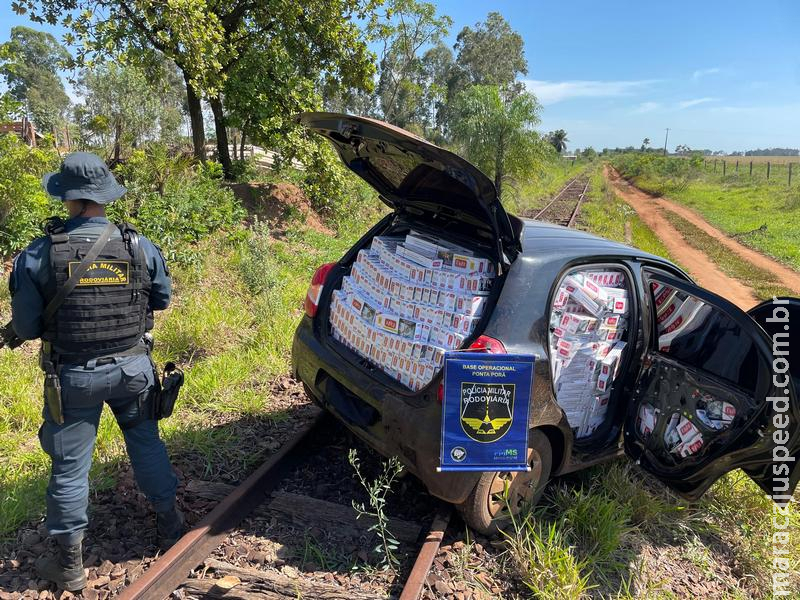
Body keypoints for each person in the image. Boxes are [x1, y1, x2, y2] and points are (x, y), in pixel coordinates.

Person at [9, 152, 184, 592]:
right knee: (146, 441)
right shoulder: (137, 245)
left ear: (67, 198)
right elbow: (160, 299)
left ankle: (69, 566)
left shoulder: (38, 253)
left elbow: (28, 326)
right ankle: (170, 526)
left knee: (69, 468)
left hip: (74, 378)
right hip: (133, 371)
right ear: (104, 195)